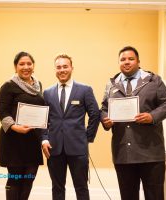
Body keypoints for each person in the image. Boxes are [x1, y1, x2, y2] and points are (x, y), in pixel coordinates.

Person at [101, 46, 166, 200]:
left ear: (138, 61)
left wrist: (152, 116)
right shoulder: (112, 84)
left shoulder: (153, 80)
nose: (126, 62)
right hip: (123, 154)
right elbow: (104, 109)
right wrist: (105, 120)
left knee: (154, 196)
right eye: (123, 59)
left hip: (151, 154)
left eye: (130, 59)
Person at [42, 54, 100, 200]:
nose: (62, 70)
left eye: (65, 66)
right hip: (54, 149)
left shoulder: (84, 90)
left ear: (72, 68)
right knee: (57, 188)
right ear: (55, 69)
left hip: (78, 149)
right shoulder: (47, 93)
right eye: (59, 67)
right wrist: (44, 139)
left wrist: (87, 137)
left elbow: (95, 115)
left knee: (81, 188)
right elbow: (42, 120)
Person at [0, 51, 44, 200]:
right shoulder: (8, 86)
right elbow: (2, 112)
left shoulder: (38, 86)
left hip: (32, 141)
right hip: (13, 141)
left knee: (29, 178)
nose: (26, 67)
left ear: (33, 66)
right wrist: (15, 127)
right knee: (15, 179)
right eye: (21, 64)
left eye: (29, 63)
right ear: (15, 67)